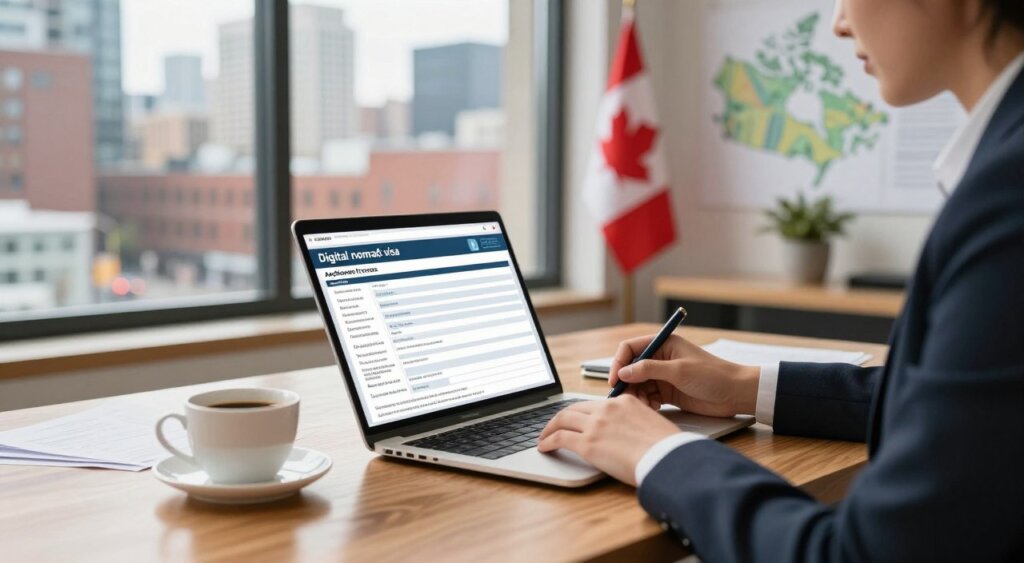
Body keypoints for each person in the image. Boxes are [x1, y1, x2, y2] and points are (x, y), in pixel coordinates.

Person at [538, 0, 1024, 560]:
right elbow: (954, 407)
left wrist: (657, 455)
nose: (840, 23)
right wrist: (743, 384)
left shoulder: (1008, 199)